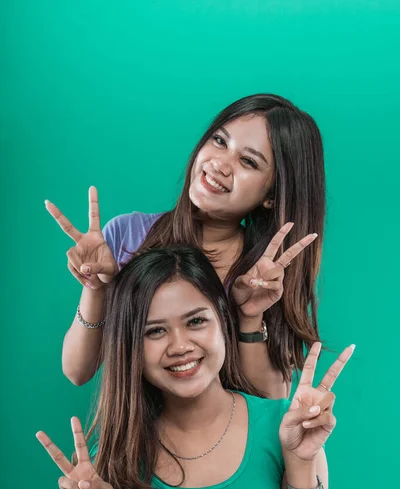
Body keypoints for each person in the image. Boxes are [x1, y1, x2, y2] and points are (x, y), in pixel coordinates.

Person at [37, 247, 354, 489]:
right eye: (154, 331)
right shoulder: (114, 454)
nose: (179, 346)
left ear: (222, 320)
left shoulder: (285, 431)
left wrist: (302, 463)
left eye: (195, 321)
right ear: (131, 348)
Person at [45, 93, 325, 398]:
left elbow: (269, 403)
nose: (220, 164)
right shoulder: (127, 234)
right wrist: (95, 287)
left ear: (272, 195)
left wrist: (251, 316)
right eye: (220, 141)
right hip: (136, 437)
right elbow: (77, 371)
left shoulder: (264, 273)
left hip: (222, 443)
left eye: (248, 161)